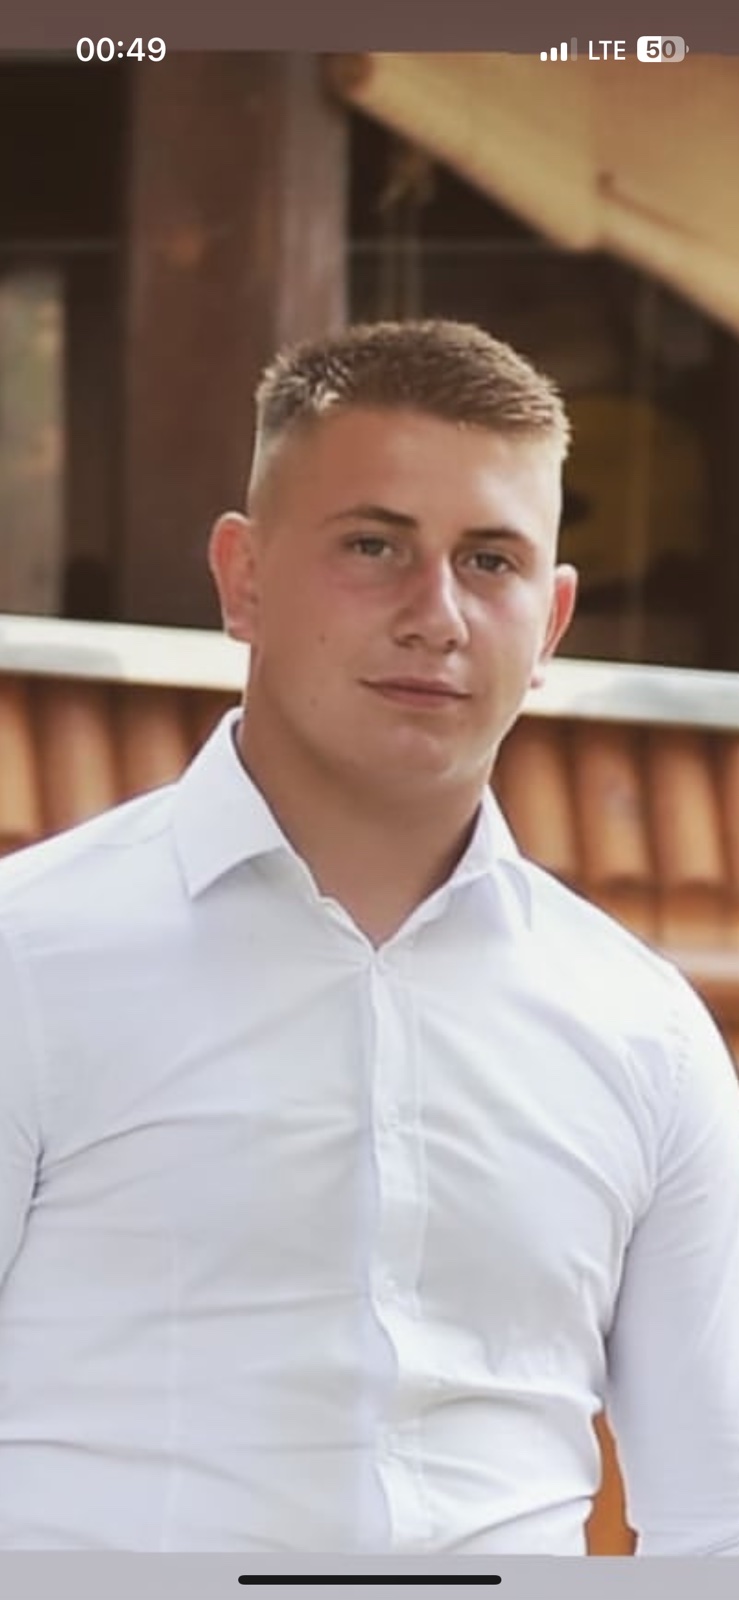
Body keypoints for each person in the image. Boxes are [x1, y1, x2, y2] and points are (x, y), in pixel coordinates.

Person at [1, 318, 739, 1556]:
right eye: (373, 545)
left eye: (490, 560)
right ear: (242, 576)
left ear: (553, 619)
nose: (436, 614)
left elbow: (717, 1526)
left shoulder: (645, 1033)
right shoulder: (26, 966)